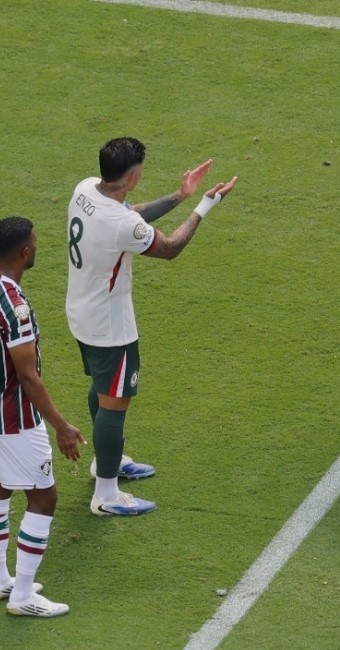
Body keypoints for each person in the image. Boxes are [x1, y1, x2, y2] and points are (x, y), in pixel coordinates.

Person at [66, 136, 238, 516]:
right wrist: (207, 204)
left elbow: (133, 215)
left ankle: (104, 461)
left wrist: (181, 195)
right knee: (115, 401)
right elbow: (171, 247)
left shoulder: (84, 189)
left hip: (80, 312)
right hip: (111, 326)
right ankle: (106, 494)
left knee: (101, 385)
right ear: (131, 176)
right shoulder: (119, 221)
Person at [0, 216, 85, 617]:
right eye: (35, 241)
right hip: (14, 418)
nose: (37, 246)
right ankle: (22, 598)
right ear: (25, 252)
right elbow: (29, 377)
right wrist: (62, 427)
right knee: (44, 497)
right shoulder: (15, 307)